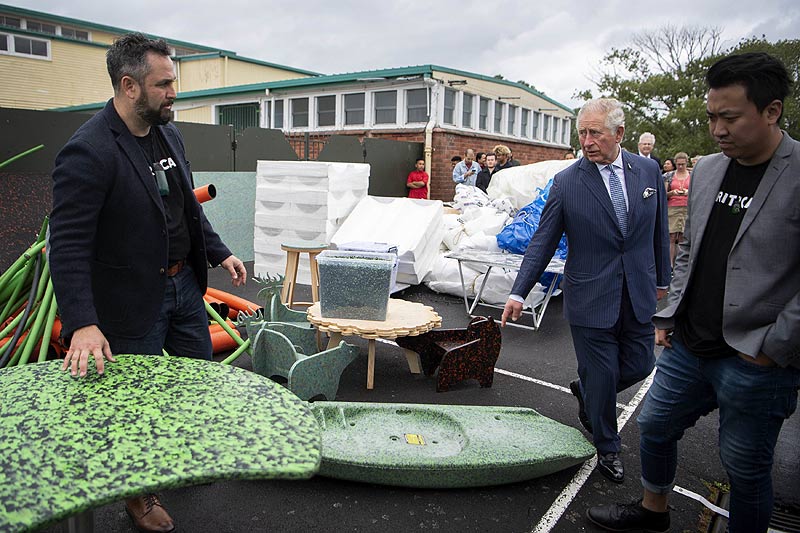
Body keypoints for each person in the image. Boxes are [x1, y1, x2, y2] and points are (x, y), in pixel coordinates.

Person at [587, 52, 800, 533]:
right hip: (689, 342)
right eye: (711, 117)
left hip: (755, 357)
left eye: (730, 117)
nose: (717, 129)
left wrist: (774, 348)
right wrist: (671, 317)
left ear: (771, 111)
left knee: (745, 468)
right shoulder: (707, 170)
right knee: (656, 426)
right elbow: (687, 252)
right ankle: (652, 512)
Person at [49, 33, 246, 533]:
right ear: (129, 85)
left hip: (184, 290)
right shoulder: (89, 151)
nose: (173, 92)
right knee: (133, 405)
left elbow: (184, 208)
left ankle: (178, 458)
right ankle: (139, 497)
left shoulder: (169, 136)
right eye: (164, 84)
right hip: (132, 300)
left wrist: (220, 252)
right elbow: (67, 246)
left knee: (194, 382)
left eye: (173, 81)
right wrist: (83, 324)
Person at [502, 97, 670, 484]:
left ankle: (587, 390)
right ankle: (608, 448)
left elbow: (659, 232)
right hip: (591, 296)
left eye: (595, 132)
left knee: (641, 365)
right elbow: (542, 241)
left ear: (619, 134)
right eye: (582, 133)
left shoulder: (647, 172)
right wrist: (518, 292)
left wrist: (662, 283)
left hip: (639, 292)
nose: (587, 141)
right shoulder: (567, 182)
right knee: (602, 373)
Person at [663, 152, 691, 266]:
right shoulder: (668, 176)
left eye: (683, 164)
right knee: (672, 236)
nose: (680, 166)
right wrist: (672, 193)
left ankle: (681, 264)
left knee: (683, 237)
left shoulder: (692, 175)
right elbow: (664, 194)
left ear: (686, 163)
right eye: (678, 164)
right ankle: (670, 265)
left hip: (687, 207)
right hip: (672, 208)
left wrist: (688, 192)